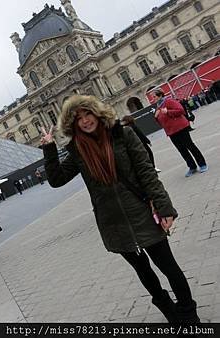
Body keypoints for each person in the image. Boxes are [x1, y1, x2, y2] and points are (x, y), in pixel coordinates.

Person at [41, 95, 199, 324]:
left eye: (88, 114)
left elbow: (146, 172)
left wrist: (164, 208)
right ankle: (171, 314)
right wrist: (49, 148)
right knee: (144, 272)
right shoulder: (77, 149)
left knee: (169, 267)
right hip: (113, 222)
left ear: (97, 112)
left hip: (141, 213)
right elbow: (56, 179)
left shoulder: (121, 134)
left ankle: (189, 316)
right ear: (72, 124)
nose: (85, 121)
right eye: (78, 118)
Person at [153, 89, 207, 177]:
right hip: (171, 132)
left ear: (160, 96)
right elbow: (161, 121)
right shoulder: (158, 106)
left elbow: (181, 110)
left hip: (180, 128)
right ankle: (192, 167)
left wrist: (168, 112)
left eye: (154, 96)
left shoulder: (168, 101)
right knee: (182, 150)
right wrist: (156, 117)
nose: (153, 99)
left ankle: (202, 164)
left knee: (190, 146)